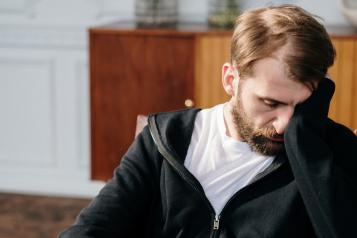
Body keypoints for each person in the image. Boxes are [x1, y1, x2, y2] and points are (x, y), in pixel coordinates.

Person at [59, 5, 357, 238]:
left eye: (302, 106)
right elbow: (93, 229)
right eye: (270, 103)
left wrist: (307, 145)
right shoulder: (165, 139)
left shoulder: (332, 151)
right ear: (230, 79)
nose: (282, 125)